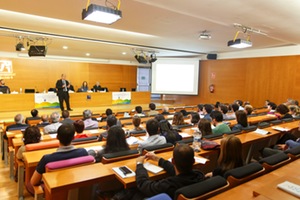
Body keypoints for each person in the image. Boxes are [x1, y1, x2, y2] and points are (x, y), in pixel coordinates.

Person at [123, 144, 205, 199]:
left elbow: (143, 184)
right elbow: (177, 170)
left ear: (173, 161)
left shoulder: (168, 185)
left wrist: (139, 164)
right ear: (193, 161)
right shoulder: (200, 175)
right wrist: (158, 159)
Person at [29, 124, 88, 195]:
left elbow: (33, 182)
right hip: (77, 190)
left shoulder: (47, 159)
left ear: (57, 137)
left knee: (29, 185)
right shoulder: (83, 152)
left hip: (54, 193)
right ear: (73, 138)